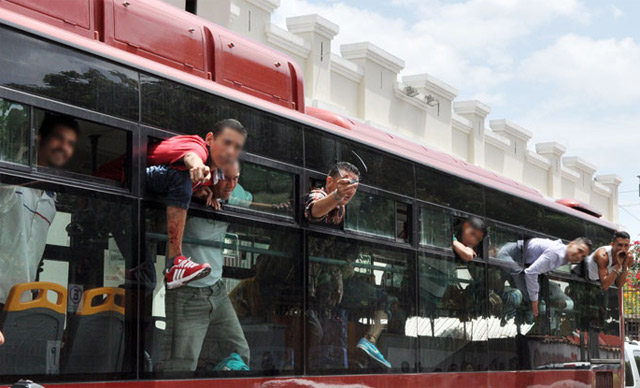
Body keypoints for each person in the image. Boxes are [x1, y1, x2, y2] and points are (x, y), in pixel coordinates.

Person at [160, 162, 250, 373]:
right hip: (187, 293)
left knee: (239, 351)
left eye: (236, 178)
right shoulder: (188, 194)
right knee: (182, 364)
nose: (231, 185)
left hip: (217, 290)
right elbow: (160, 221)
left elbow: (256, 204)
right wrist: (192, 196)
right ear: (213, 176)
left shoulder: (234, 194)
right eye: (226, 178)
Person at [144, 119, 247, 289]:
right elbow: (191, 156)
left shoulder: (209, 180)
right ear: (210, 139)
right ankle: (175, 261)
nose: (230, 151)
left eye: (236, 147)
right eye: (227, 143)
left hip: (128, 208)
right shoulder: (197, 147)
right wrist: (197, 166)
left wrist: (201, 192)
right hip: (127, 178)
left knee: (146, 280)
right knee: (182, 176)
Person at [0, 114, 78, 307]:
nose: (64, 147)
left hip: (21, 300)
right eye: (59, 138)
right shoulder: (11, 176)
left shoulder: (51, 201)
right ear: (40, 138)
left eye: (70, 143)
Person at [520, 237, 592, 316]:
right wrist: (534, 301)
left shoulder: (564, 258)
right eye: (579, 250)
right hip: (513, 256)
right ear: (571, 244)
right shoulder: (557, 253)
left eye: (583, 256)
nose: (579, 257)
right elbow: (531, 272)